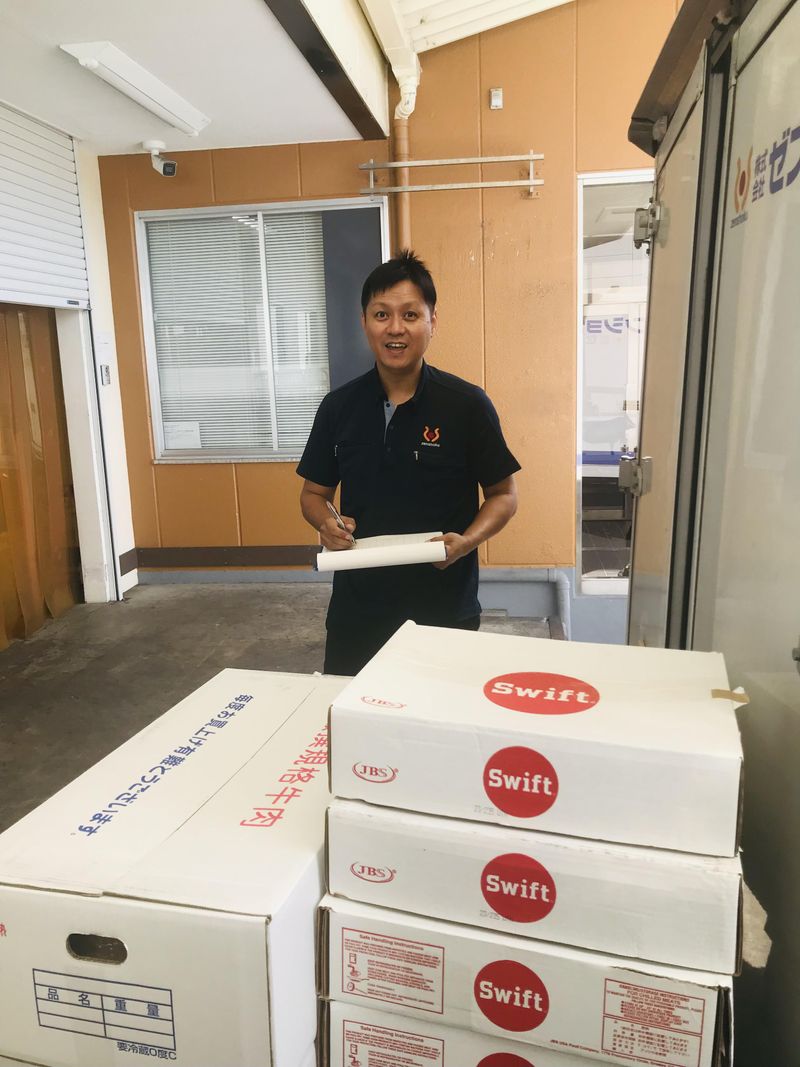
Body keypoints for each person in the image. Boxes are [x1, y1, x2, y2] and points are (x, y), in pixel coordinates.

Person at [297, 250, 520, 675]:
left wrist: (466, 542)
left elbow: (504, 494)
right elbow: (312, 494)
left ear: (433, 322)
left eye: (411, 315)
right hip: (357, 613)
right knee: (351, 710)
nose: (395, 328)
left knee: (438, 713)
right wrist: (326, 522)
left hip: (443, 610)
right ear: (364, 322)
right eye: (381, 314)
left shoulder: (467, 405)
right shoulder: (338, 407)